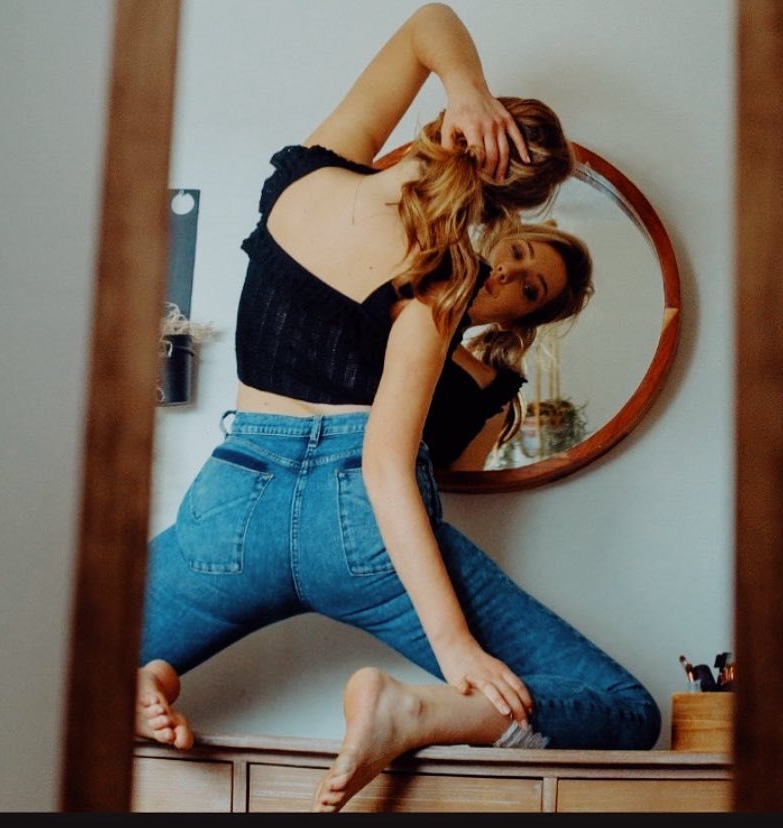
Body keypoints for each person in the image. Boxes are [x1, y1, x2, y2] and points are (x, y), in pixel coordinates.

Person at [134, 3, 661, 812]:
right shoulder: (440, 276)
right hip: (360, 534)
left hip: (231, 515)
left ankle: (132, 677)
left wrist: (466, 87)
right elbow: (384, 465)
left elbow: (428, 21)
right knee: (624, 711)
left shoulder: (302, 181)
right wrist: (454, 652)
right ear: (505, 212)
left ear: (447, 127)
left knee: (59, 667)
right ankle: (416, 713)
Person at [423, 219, 594, 470]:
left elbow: (461, 488)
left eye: (529, 289)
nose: (507, 271)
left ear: (515, 321)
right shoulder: (397, 274)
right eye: (516, 252)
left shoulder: (489, 397)